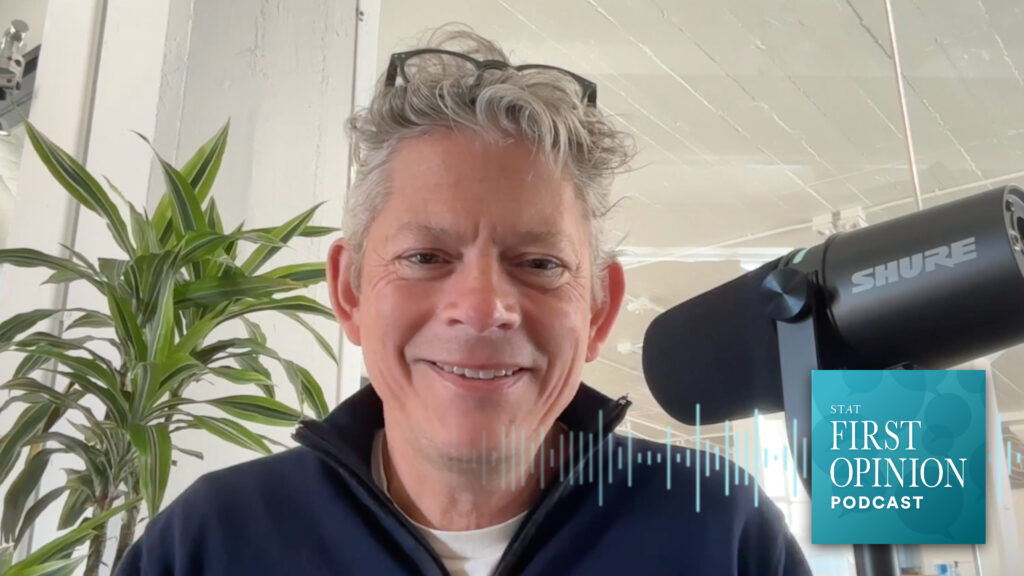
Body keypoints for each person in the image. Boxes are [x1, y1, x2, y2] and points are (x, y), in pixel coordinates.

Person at [118, 25, 812, 576]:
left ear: (599, 310)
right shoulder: (212, 541)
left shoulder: (719, 530)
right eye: (426, 258)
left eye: (539, 264)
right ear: (350, 290)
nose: (482, 310)